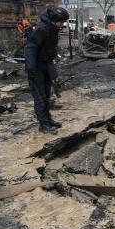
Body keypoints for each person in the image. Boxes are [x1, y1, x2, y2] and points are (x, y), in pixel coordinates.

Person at [25, 7, 69, 135]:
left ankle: (48, 119)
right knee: (40, 97)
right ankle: (43, 124)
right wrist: (31, 70)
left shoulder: (53, 29)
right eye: (61, 22)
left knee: (47, 95)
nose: (63, 24)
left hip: (46, 64)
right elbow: (31, 50)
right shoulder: (40, 29)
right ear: (54, 20)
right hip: (37, 67)